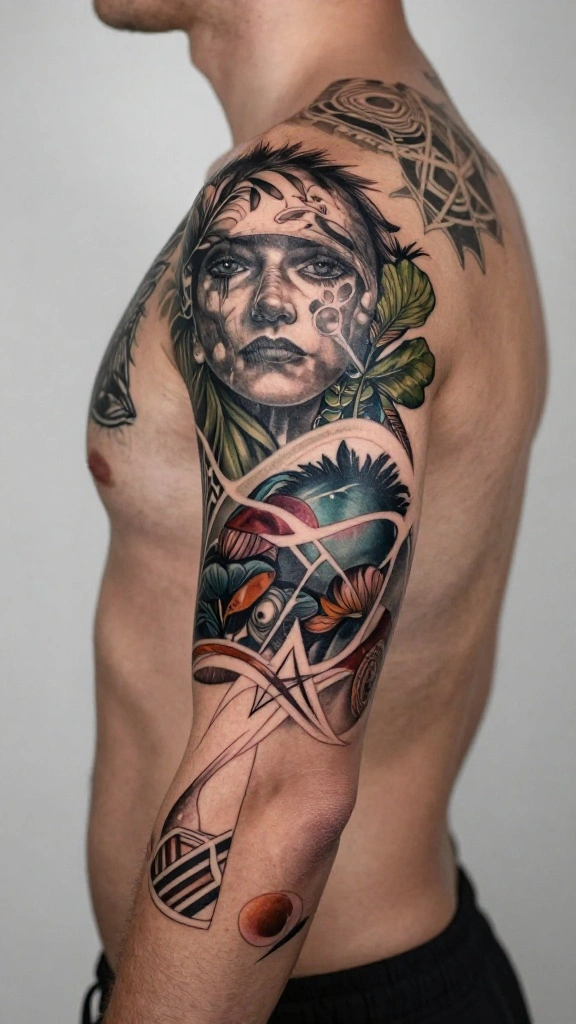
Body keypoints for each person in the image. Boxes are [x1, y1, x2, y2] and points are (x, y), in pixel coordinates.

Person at [83, 1, 546, 1021]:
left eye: (314, 275)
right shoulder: (425, 169)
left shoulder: (322, 186)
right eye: (241, 276)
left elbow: (274, 798)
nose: (273, 297)